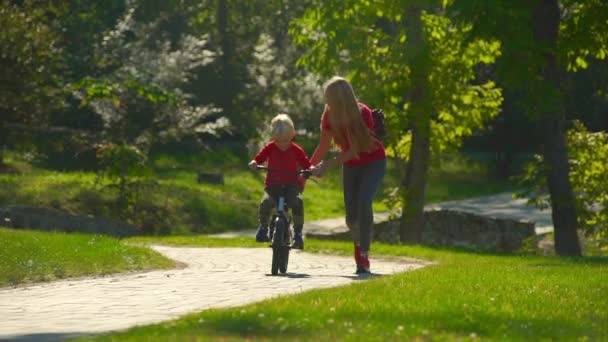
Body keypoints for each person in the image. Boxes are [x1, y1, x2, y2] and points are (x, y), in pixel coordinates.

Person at [311, 76, 386, 274]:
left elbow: (354, 150)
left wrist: (326, 166)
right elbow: (323, 146)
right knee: (351, 217)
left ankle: (363, 255)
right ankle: (358, 244)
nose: (326, 102)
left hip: (373, 161)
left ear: (340, 99)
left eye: (329, 98)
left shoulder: (362, 113)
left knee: (364, 200)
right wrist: (306, 169)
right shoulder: (328, 115)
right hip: (351, 165)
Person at [248, 113, 312, 249]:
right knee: (266, 203)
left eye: (286, 140)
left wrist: (310, 169)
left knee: (297, 202)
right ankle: (263, 228)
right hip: (272, 186)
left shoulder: (296, 150)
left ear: (292, 135)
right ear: (273, 138)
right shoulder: (270, 147)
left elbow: (306, 163)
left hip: (291, 186)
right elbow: (260, 157)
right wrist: (254, 162)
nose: (282, 144)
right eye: (278, 141)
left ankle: (298, 234)